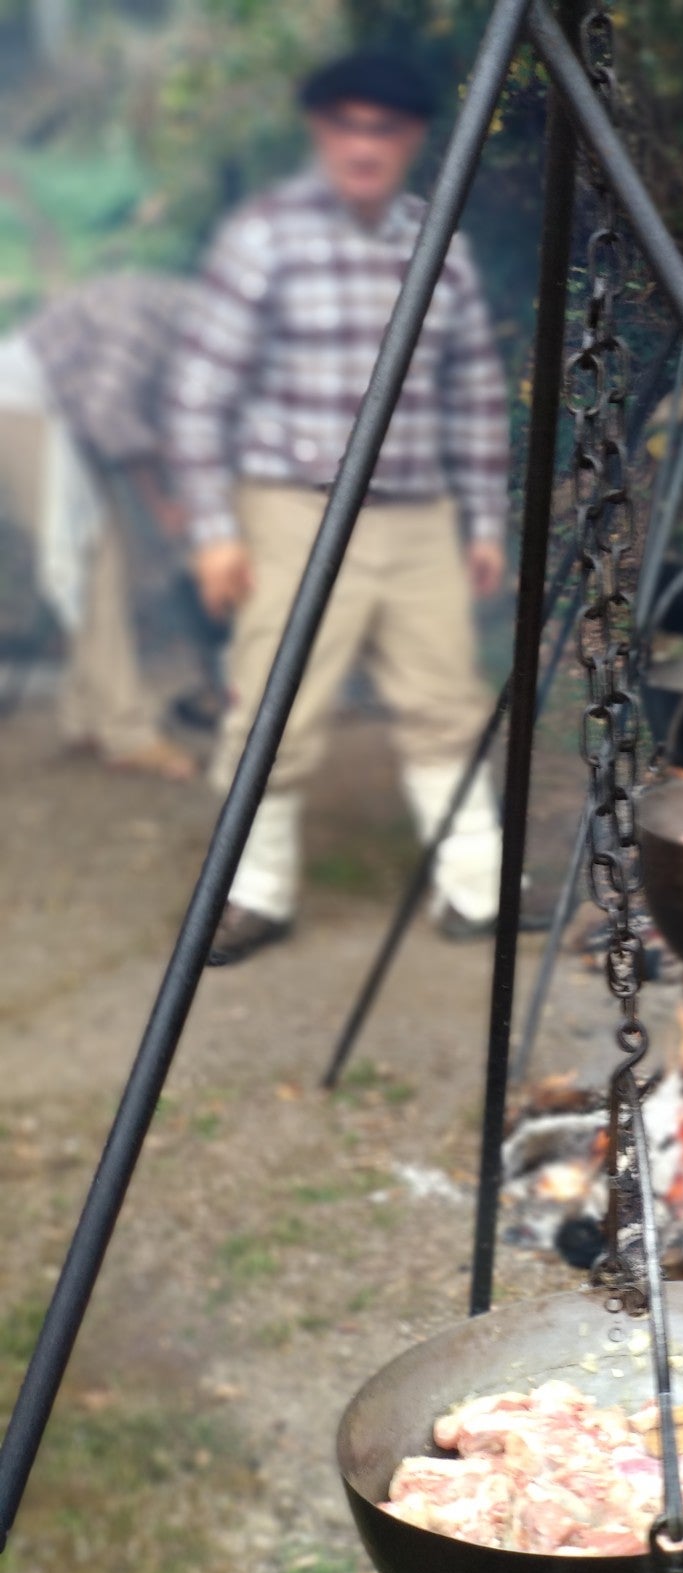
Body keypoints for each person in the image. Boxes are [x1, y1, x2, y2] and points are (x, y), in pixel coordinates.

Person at [167, 45, 510, 966]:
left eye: (385, 130)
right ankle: (254, 894)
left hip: (420, 514)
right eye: (347, 126)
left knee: (447, 701)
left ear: (415, 140)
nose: (364, 146)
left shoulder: (444, 244)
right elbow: (201, 391)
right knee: (274, 708)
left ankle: (478, 891)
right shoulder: (263, 236)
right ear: (320, 131)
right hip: (291, 510)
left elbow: (474, 392)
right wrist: (212, 532)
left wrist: (484, 520)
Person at [0, 274, 200, 780]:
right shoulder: (146, 321)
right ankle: (125, 732)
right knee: (92, 560)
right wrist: (160, 503)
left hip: (59, 415)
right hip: (21, 408)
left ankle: (87, 715)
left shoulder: (179, 317)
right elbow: (110, 418)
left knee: (115, 561)